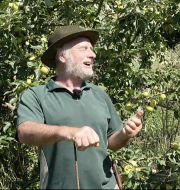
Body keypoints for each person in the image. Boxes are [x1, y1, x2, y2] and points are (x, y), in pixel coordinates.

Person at [15, 25, 143, 189]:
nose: (93, 54)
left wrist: (125, 134)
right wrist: (68, 132)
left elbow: (111, 142)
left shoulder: (98, 94)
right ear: (62, 56)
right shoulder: (36, 95)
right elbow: (25, 132)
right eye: (84, 49)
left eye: (92, 49)